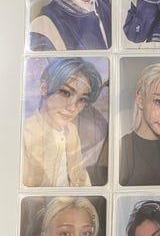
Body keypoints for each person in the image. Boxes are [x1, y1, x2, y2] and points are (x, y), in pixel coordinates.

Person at [23, 57, 103, 187]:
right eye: (65, 93)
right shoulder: (24, 133)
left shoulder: (71, 130)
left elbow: (81, 178)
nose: (72, 107)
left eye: (82, 99)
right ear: (44, 88)